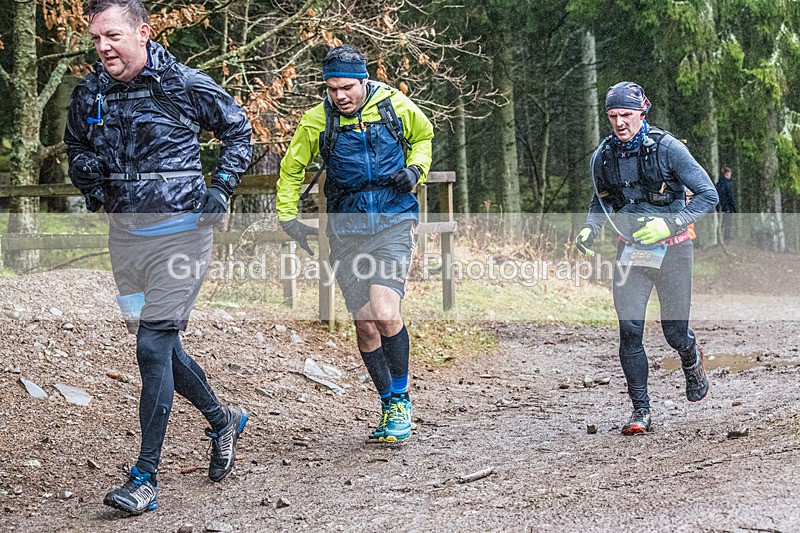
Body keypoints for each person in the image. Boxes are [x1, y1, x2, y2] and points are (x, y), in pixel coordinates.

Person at [64, 0, 252, 514]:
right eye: (96, 38)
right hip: (125, 240)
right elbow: (75, 145)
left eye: (113, 36)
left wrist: (222, 187)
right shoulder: (90, 92)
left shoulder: (185, 84)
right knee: (162, 348)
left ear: (143, 33)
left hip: (182, 236)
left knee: (151, 347)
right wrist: (86, 172)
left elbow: (239, 130)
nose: (103, 47)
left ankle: (144, 478)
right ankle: (223, 419)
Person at [276, 44, 433, 442]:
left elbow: (424, 136)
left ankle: (401, 400)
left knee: (384, 311)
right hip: (346, 229)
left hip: (394, 219)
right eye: (331, 89)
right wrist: (288, 217)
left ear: (364, 81)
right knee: (364, 324)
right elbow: (292, 168)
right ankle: (387, 402)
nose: (339, 95)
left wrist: (416, 170)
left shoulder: (394, 105)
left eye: (346, 87)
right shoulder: (317, 121)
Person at [575, 82, 718, 435]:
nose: (620, 122)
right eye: (613, 116)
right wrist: (591, 229)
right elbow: (602, 200)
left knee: (673, 332)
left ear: (642, 112)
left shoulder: (669, 149)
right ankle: (641, 412)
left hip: (674, 249)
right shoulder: (603, 156)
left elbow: (708, 195)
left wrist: (669, 224)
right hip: (631, 250)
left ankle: (690, 352)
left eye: (626, 114)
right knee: (630, 330)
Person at [716, 165, 737, 242]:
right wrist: (734, 207)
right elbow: (730, 197)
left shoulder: (718, 184)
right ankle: (726, 239)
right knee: (727, 223)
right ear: (726, 174)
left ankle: (720, 239)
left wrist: (718, 207)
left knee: (722, 224)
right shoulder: (727, 184)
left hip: (721, 207)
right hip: (727, 207)